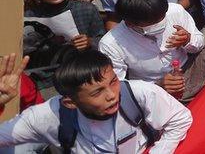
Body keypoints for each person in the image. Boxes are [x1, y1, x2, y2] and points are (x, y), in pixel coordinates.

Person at [0, 50, 193, 153]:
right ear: (70, 102)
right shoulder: (44, 116)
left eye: (113, 82)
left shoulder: (139, 92)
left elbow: (181, 118)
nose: (111, 95)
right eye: (97, 92)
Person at [99, 0, 205, 102]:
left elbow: (199, 44)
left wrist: (187, 40)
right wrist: (158, 86)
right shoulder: (110, 44)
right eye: (153, 23)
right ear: (130, 24)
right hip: (154, 92)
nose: (162, 23)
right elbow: (119, 87)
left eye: (163, 17)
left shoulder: (175, 11)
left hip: (189, 69)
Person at [23, 0, 105, 89]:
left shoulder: (86, 9)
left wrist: (90, 42)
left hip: (81, 74)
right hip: (44, 81)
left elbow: (104, 41)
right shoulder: (29, 17)